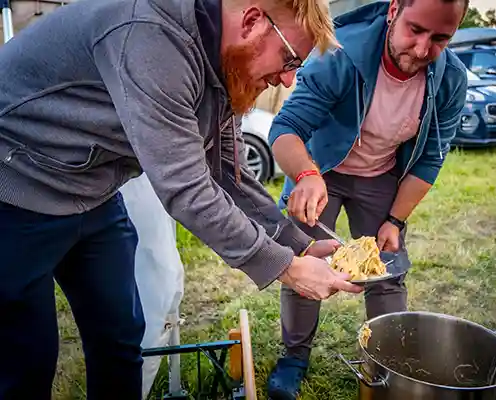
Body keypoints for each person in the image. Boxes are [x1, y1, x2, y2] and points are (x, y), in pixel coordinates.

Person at [0, 0, 365, 397]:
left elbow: (226, 172)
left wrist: (298, 244)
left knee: (121, 340)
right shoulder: (150, 33)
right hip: (17, 190)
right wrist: (286, 268)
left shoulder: (219, 58)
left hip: (93, 191)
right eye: (290, 58)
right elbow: (186, 188)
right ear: (252, 21)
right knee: (27, 360)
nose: (289, 80)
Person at [265, 0, 468, 397]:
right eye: (415, 30)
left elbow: (429, 160)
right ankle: (294, 357)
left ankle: (389, 357)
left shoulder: (450, 79)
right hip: (319, 167)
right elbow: (287, 127)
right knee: (304, 260)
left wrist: (394, 221)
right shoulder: (338, 54)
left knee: (387, 270)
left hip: (380, 175)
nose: (423, 50)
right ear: (393, 10)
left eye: (441, 38)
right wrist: (305, 175)